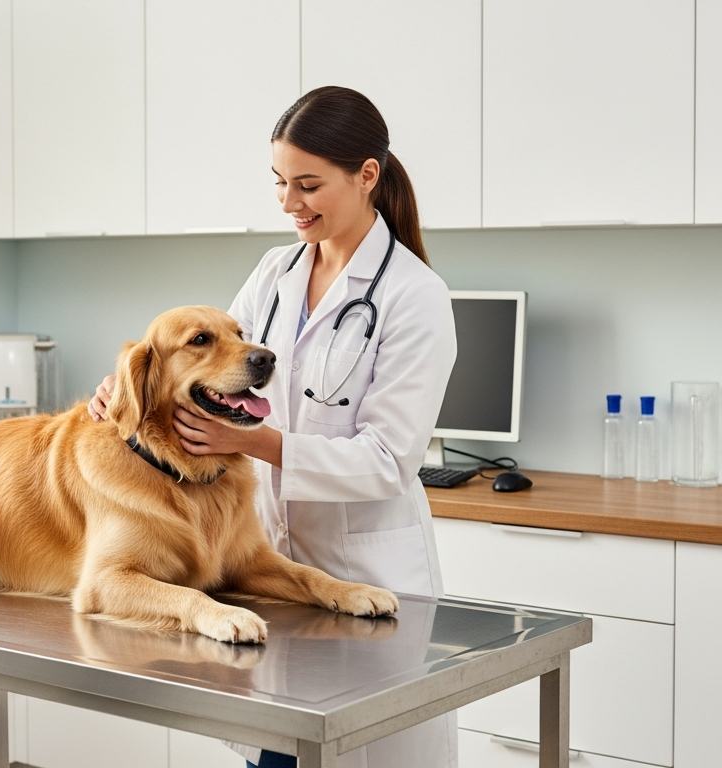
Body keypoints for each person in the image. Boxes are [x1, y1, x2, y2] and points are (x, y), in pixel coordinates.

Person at [88, 86, 458, 768]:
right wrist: (133, 388)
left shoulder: (415, 297)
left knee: (367, 754)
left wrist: (254, 443)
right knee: (282, 754)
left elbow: (387, 461)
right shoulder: (276, 270)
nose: (291, 204)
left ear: (366, 176)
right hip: (267, 572)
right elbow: (211, 371)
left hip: (364, 574)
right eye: (281, 184)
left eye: (309, 185)